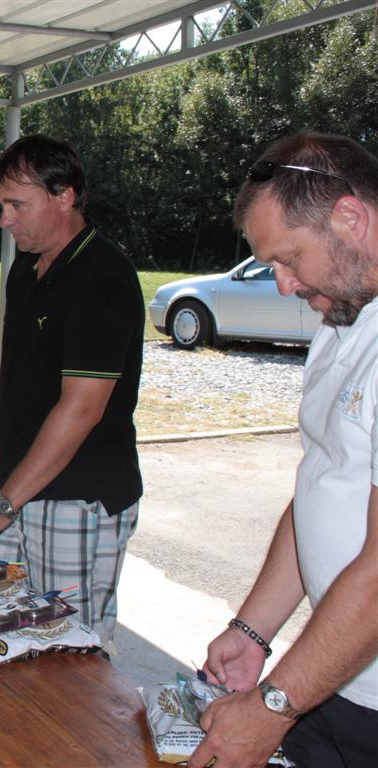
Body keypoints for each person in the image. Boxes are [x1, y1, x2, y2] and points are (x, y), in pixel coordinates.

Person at [187, 132, 378, 768]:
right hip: (335, 676)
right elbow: (320, 487)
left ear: (350, 217)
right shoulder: (341, 320)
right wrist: (253, 630)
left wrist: (274, 706)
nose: (283, 285)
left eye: (290, 258)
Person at [0, 134, 144, 652]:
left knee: (69, 648)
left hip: (77, 496)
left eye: (17, 205)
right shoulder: (27, 264)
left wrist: (4, 504)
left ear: (65, 196)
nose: (4, 220)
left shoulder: (101, 277)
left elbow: (82, 409)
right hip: (18, 481)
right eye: (1, 205)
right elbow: (17, 369)